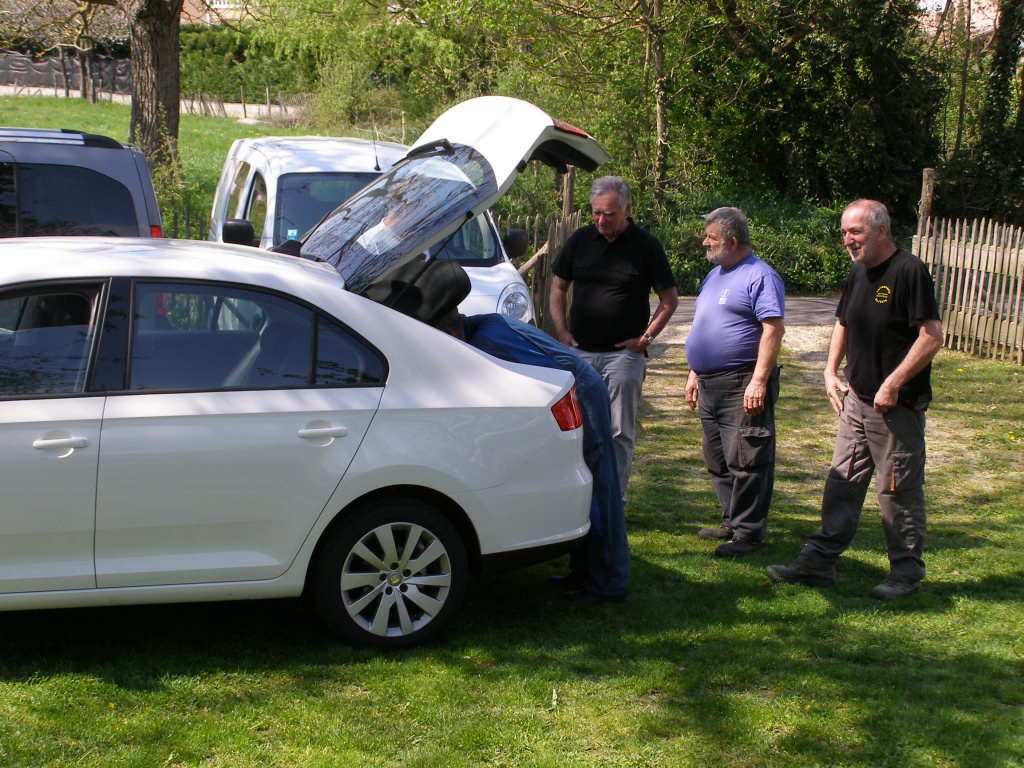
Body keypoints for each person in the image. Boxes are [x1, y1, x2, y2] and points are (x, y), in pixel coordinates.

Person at [384, 257, 630, 603]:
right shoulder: (481, 326)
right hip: (576, 388)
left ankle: (608, 583)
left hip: (583, 392)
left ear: (451, 331)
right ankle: (584, 571)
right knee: (584, 490)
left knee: (599, 487)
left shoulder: (490, 339)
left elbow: (546, 380)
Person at [766, 199, 943, 599]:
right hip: (856, 401)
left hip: (895, 408)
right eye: (845, 232)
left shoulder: (908, 271)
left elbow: (931, 335)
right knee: (842, 481)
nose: (848, 240)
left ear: (881, 230)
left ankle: (905, 574)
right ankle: (818, 563)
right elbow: (842, 322)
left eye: (856, 232)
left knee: (896, 490)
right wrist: (830, 371)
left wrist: (894, 383)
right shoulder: (858, 271)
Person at [550, 176, 678, 497]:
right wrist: (561, 330)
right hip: (580, 355)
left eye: (608, 213)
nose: (601, 220)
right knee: (576, 428)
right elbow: (558, 287)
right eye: (596, 213)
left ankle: (613, 500)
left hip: (624, 358)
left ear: (627, 209)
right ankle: (578, 497)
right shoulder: (580, 240)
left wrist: (646, 338)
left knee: (619, 431)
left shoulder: (646, 246)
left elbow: (669, 299)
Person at [684, 207, 785, 556]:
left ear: (731, 240)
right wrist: (694, 372)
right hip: (710, 383)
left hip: (742, 381)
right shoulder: (714, 276)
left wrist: (759, 381)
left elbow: (773, 329)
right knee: (717, 457)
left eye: (710, 237)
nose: (704, 242)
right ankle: (731, 520)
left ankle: (748, 533)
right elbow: (706, 326)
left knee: (747, 458)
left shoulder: (760, 276)